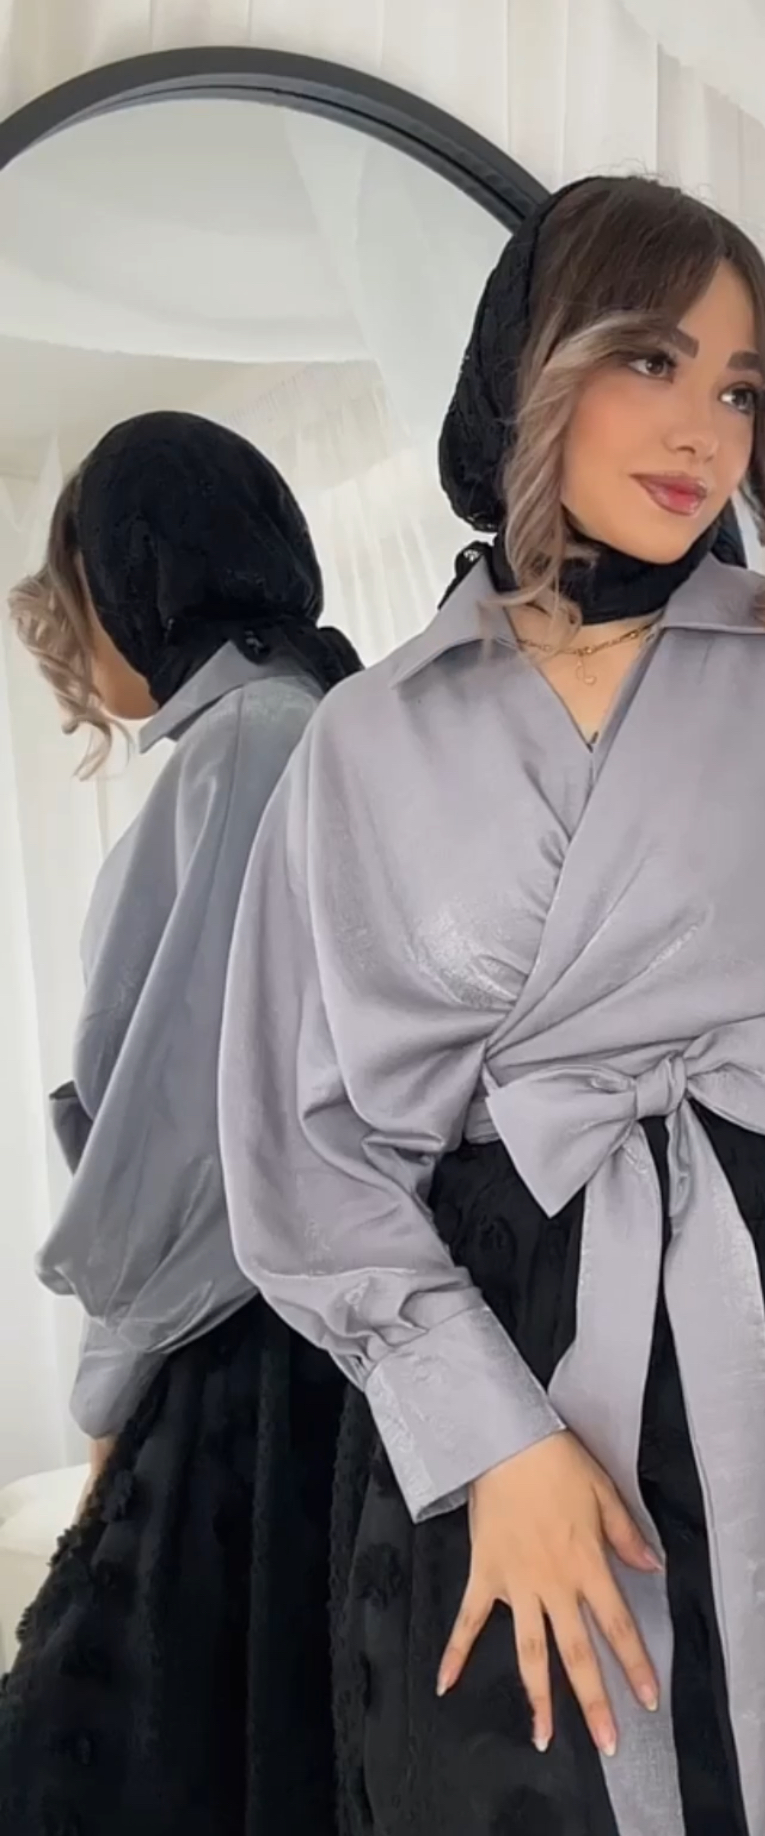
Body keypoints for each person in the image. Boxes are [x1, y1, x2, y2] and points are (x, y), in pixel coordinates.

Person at [220, 178, 765, 1836]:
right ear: (531, 369)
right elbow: (308, 1151)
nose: (704, 427)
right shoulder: (367, 743)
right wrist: (490, 1441)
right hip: (515, 1362)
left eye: (739, 385)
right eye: (651, 359)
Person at [0, 411, 361, 1836]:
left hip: (241, 1351)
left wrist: (111, 1387)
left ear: (138, 572)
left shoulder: (252, 744)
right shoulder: (289, 721)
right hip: (270, 1324)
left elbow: (194, 1115)